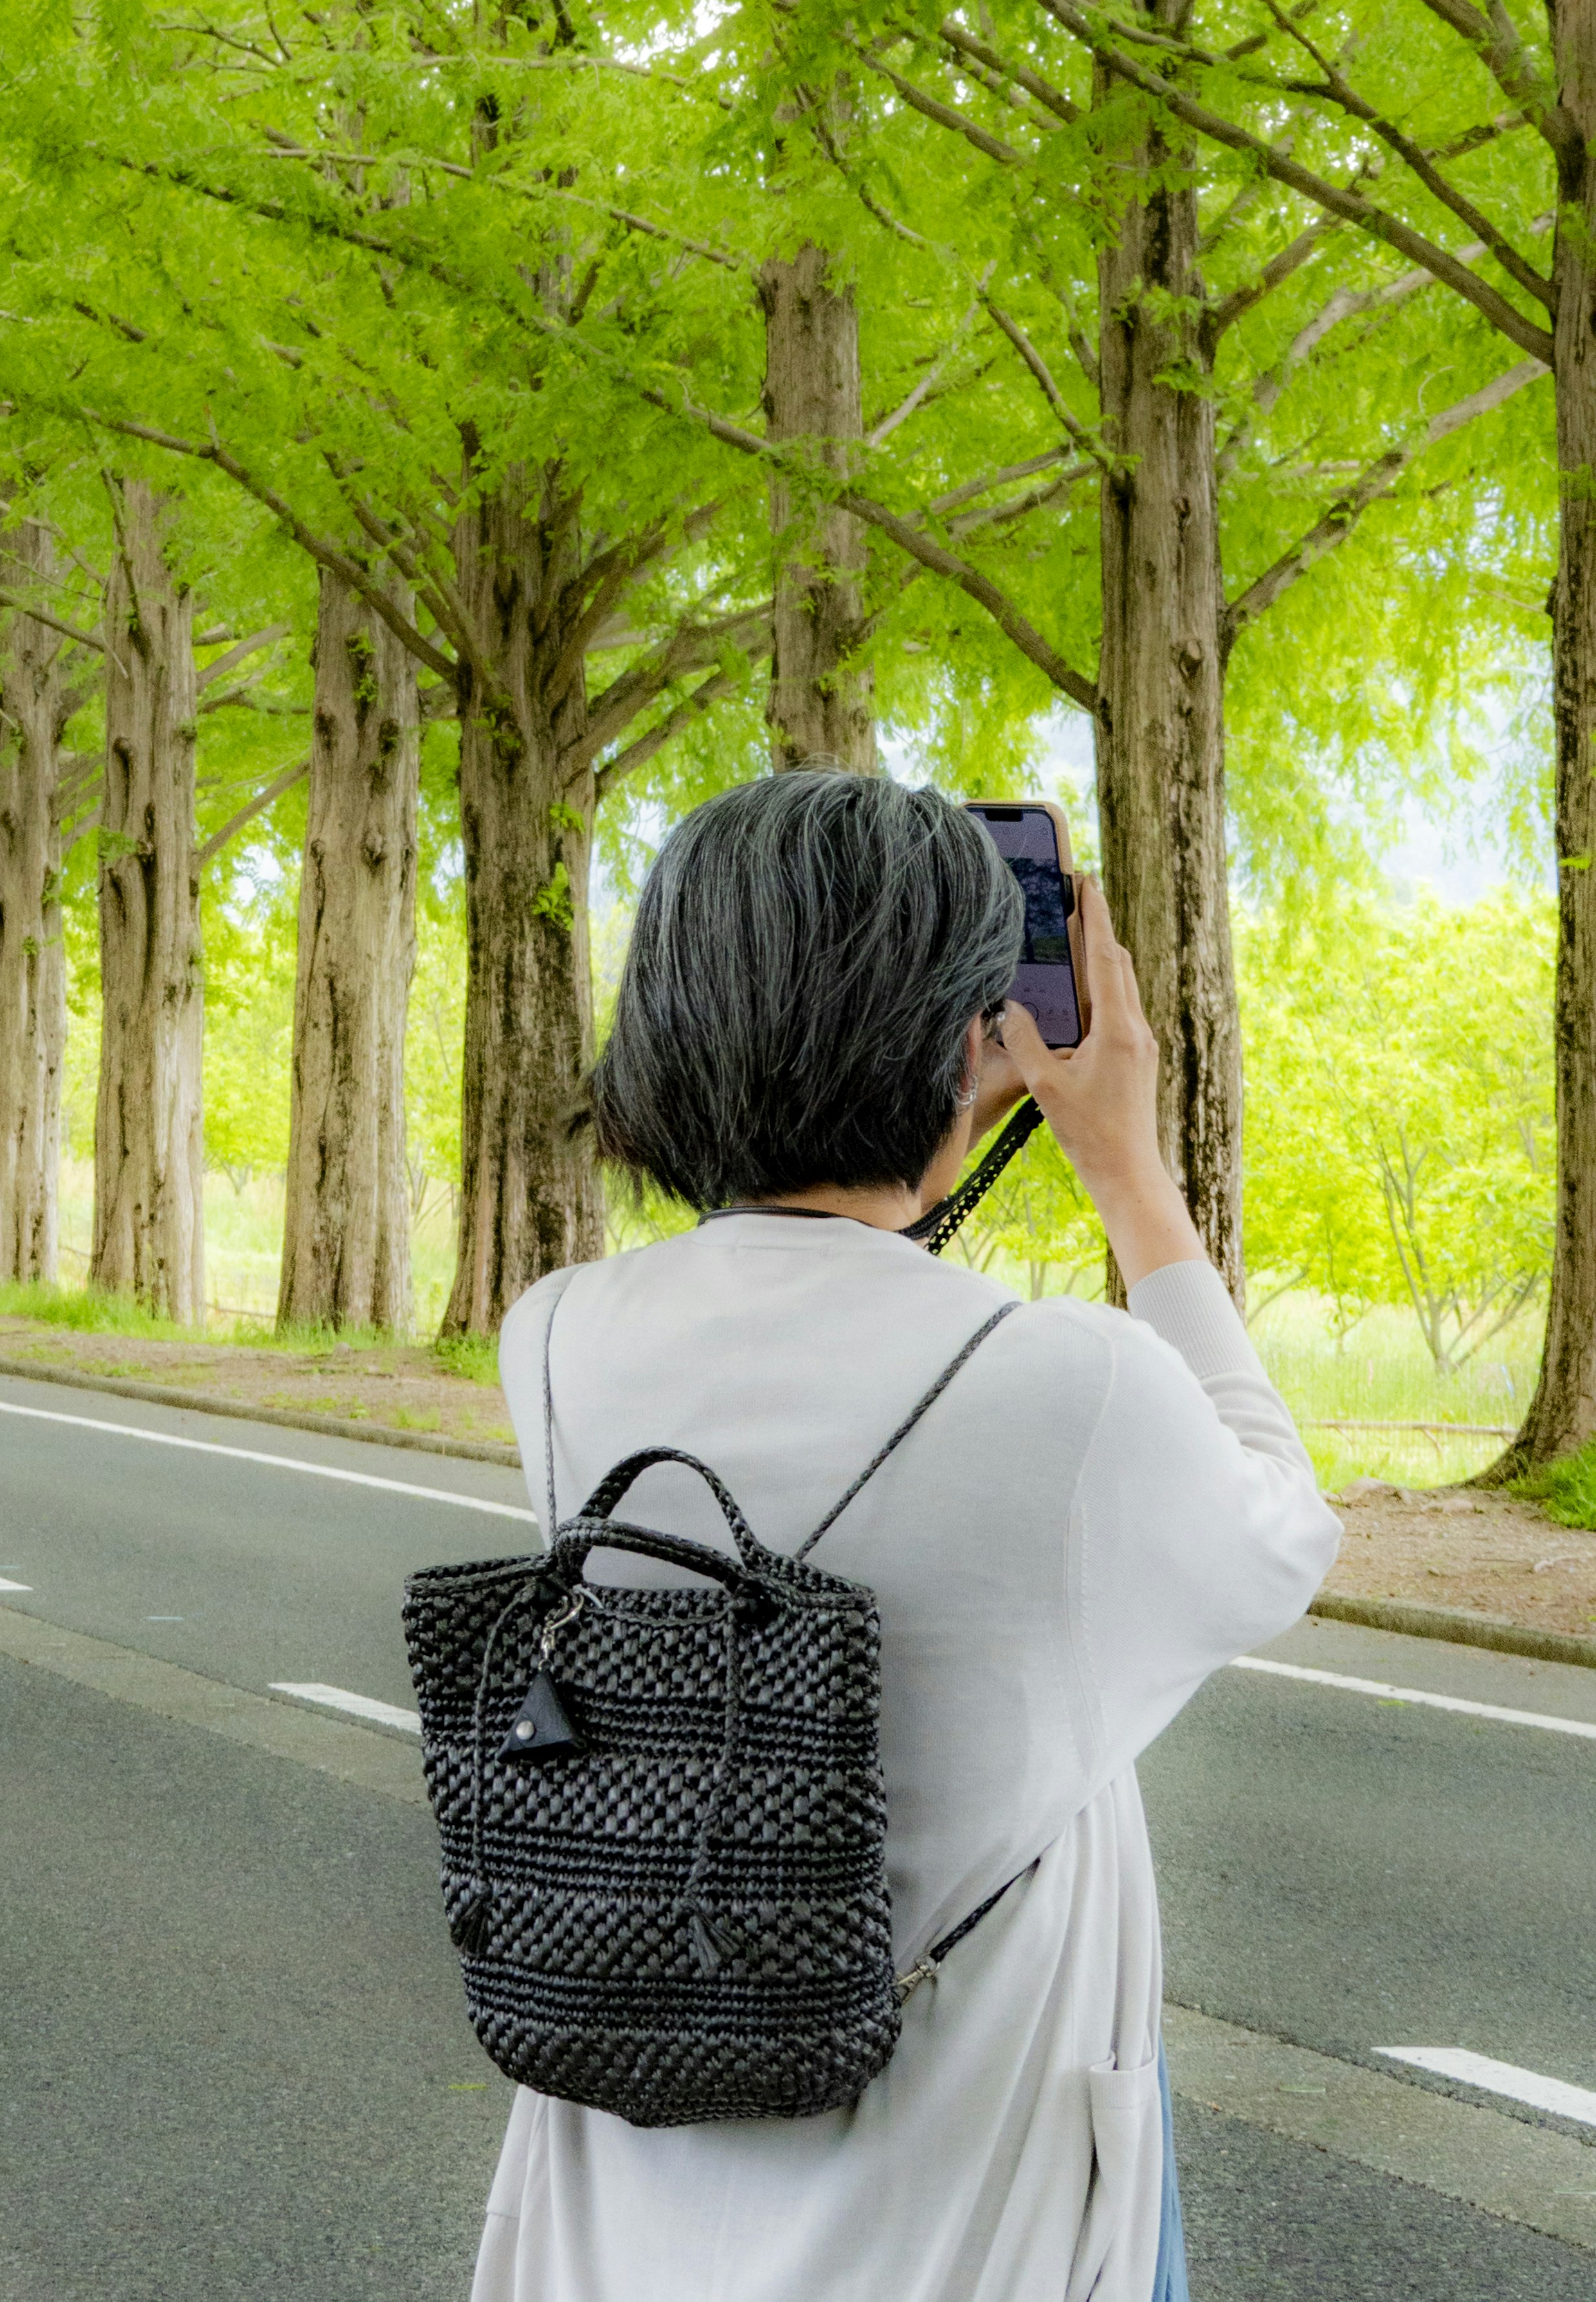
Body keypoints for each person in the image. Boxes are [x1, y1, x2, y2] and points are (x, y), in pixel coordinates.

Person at [475, 772, 1338, 2302]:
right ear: (960, 1034)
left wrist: (917, 1127)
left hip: (630, 2154)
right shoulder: (1074, 1388)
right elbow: (1279, 1528)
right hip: (964, 2197)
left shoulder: (555, 1339)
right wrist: (1120, 1162)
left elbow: (805, 1309)